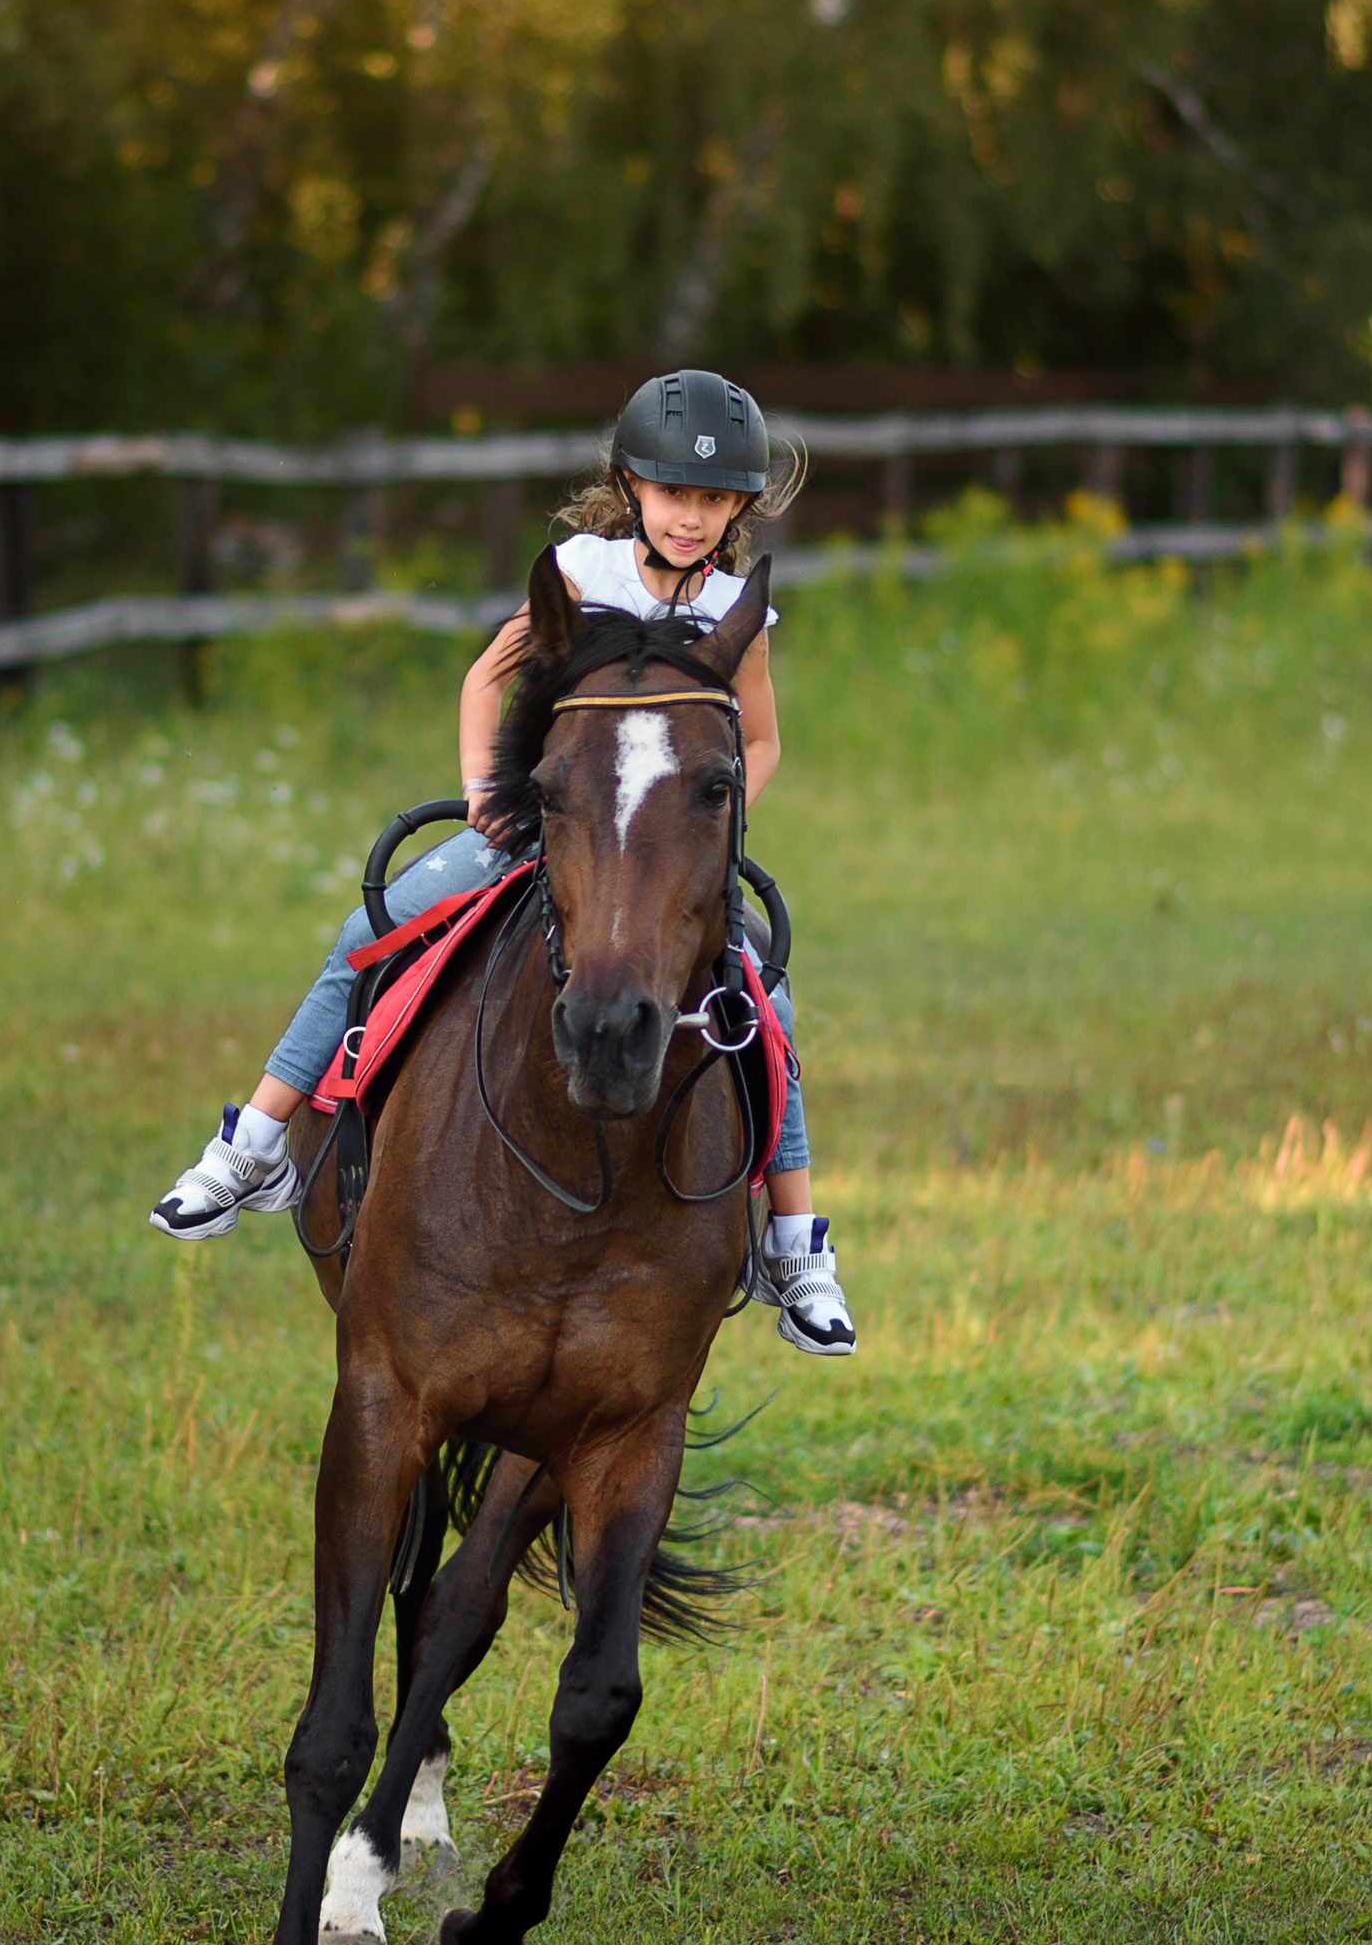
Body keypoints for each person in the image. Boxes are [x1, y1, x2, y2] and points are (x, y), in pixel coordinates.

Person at [150, 368, 857, 1357]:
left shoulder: (738, 609)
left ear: (737, 504)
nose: (691, 518)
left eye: (711, 499)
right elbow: (488, 675)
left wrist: (707, 823)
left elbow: (765, 741)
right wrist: (491, 796)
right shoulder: (582, 572)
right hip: (549, 823)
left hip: (662, 852)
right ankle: (255, 1145)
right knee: (373, 926)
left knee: (762, 1007)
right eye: (672, 494)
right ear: (630, 487)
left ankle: (793, 1249)